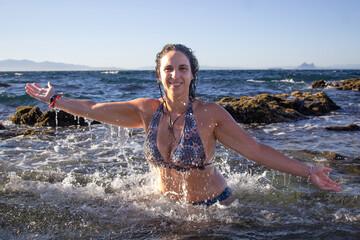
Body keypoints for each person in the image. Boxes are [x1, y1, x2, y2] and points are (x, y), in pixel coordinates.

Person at [25, 44, 342, 206]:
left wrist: (307, 170)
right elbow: (94, 108)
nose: (175, 74)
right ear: (159, 74)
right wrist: (56, 100)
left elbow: (255, 149)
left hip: (211, 208)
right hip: (164, 207)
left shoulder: (210, 114)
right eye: (168, 69)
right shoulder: (145, 111)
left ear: (192, 74)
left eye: (182, 68)